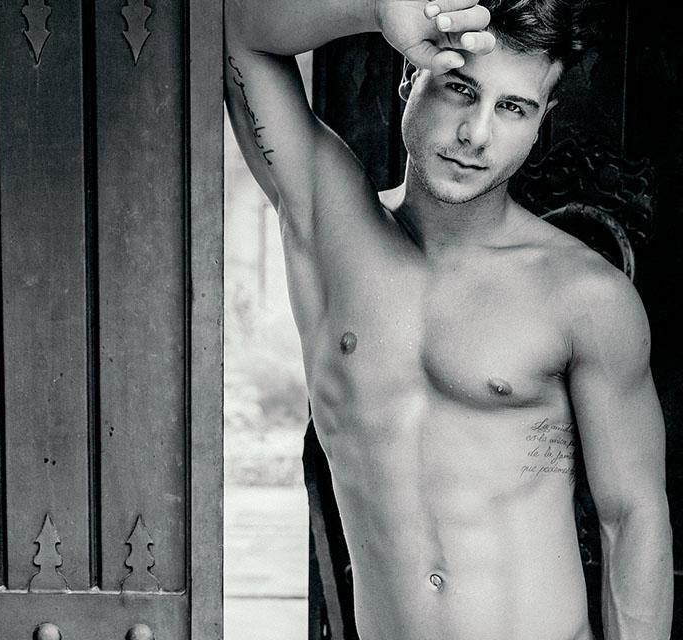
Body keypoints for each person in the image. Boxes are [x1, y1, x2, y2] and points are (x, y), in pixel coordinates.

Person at [224, 0, 673, 638]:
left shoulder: (583, 296)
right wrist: (377, 9)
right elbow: (235, 31)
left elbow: (632, 518)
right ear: (413, 75)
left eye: (513, 107)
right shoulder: (330, 231)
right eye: (460, 88)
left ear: (540, 122)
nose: (476, 134)